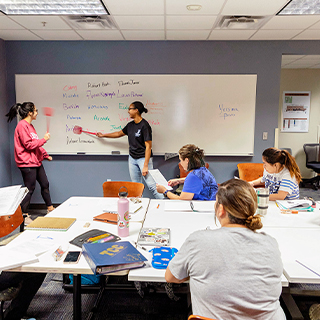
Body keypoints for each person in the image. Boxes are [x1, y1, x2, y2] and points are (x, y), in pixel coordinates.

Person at [165, 179, 285, 320]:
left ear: (221, 209)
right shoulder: (270, 243)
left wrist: (195, 270)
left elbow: (171, 276)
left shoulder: (199, 240)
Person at [96, 101, 163, 199]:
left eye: (130, 109)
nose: (128, 111)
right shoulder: (130, 125)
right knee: (135, 186)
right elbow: (119, 134)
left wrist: (145, 166)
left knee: (152, 186)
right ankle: (138, 207)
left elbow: (148, 147)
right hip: (132, 158)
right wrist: (103, 135)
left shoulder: (145, 126)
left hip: (143, 159)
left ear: (136, 110)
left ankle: (165, 203)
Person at [6, 102, 54, 220]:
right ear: (30, 113)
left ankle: (50, 209)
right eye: (36, 111)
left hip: (35, 161)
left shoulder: (31, 126)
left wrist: (45, 154)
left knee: (45, 184)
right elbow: (28, 145)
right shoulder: (22, 126)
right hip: (27, 163)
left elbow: (35, 144)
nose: (37, 113)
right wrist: (44, 139)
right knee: (30, 188)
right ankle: (23, 215)